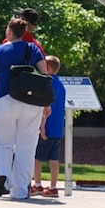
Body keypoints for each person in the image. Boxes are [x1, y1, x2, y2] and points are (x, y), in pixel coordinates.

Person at [0, 16, 47, 200]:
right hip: (30, 102)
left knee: (3, 143)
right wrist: (47, 103)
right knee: (26, 147)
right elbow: (45, 73)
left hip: (4, 99)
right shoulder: (33, 49)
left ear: (9, 31)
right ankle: (20, 191)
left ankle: (2, 173)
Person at [33, 55, 67, 196]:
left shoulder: (48, 83)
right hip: (58, 127)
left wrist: (42, 127)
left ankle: (38, 184)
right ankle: (53, 187)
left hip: (47, 125)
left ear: (47, 67)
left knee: (37, 157)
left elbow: (46, 107)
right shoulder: (61, 84)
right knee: (54, 159)